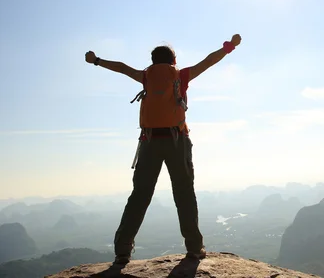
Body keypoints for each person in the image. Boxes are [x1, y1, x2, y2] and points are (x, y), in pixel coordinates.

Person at [84, 34, 242, 265]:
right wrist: (230, 46)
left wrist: (97, 60)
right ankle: (194, 248)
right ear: (173, 60)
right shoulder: (181, 76)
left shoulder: (146, 76)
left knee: (140, 196)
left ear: (153, 60)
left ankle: (122, 250)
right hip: (177, 140)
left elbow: (121, 67)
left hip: (149, 142)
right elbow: (208, 61)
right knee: (184, 194)